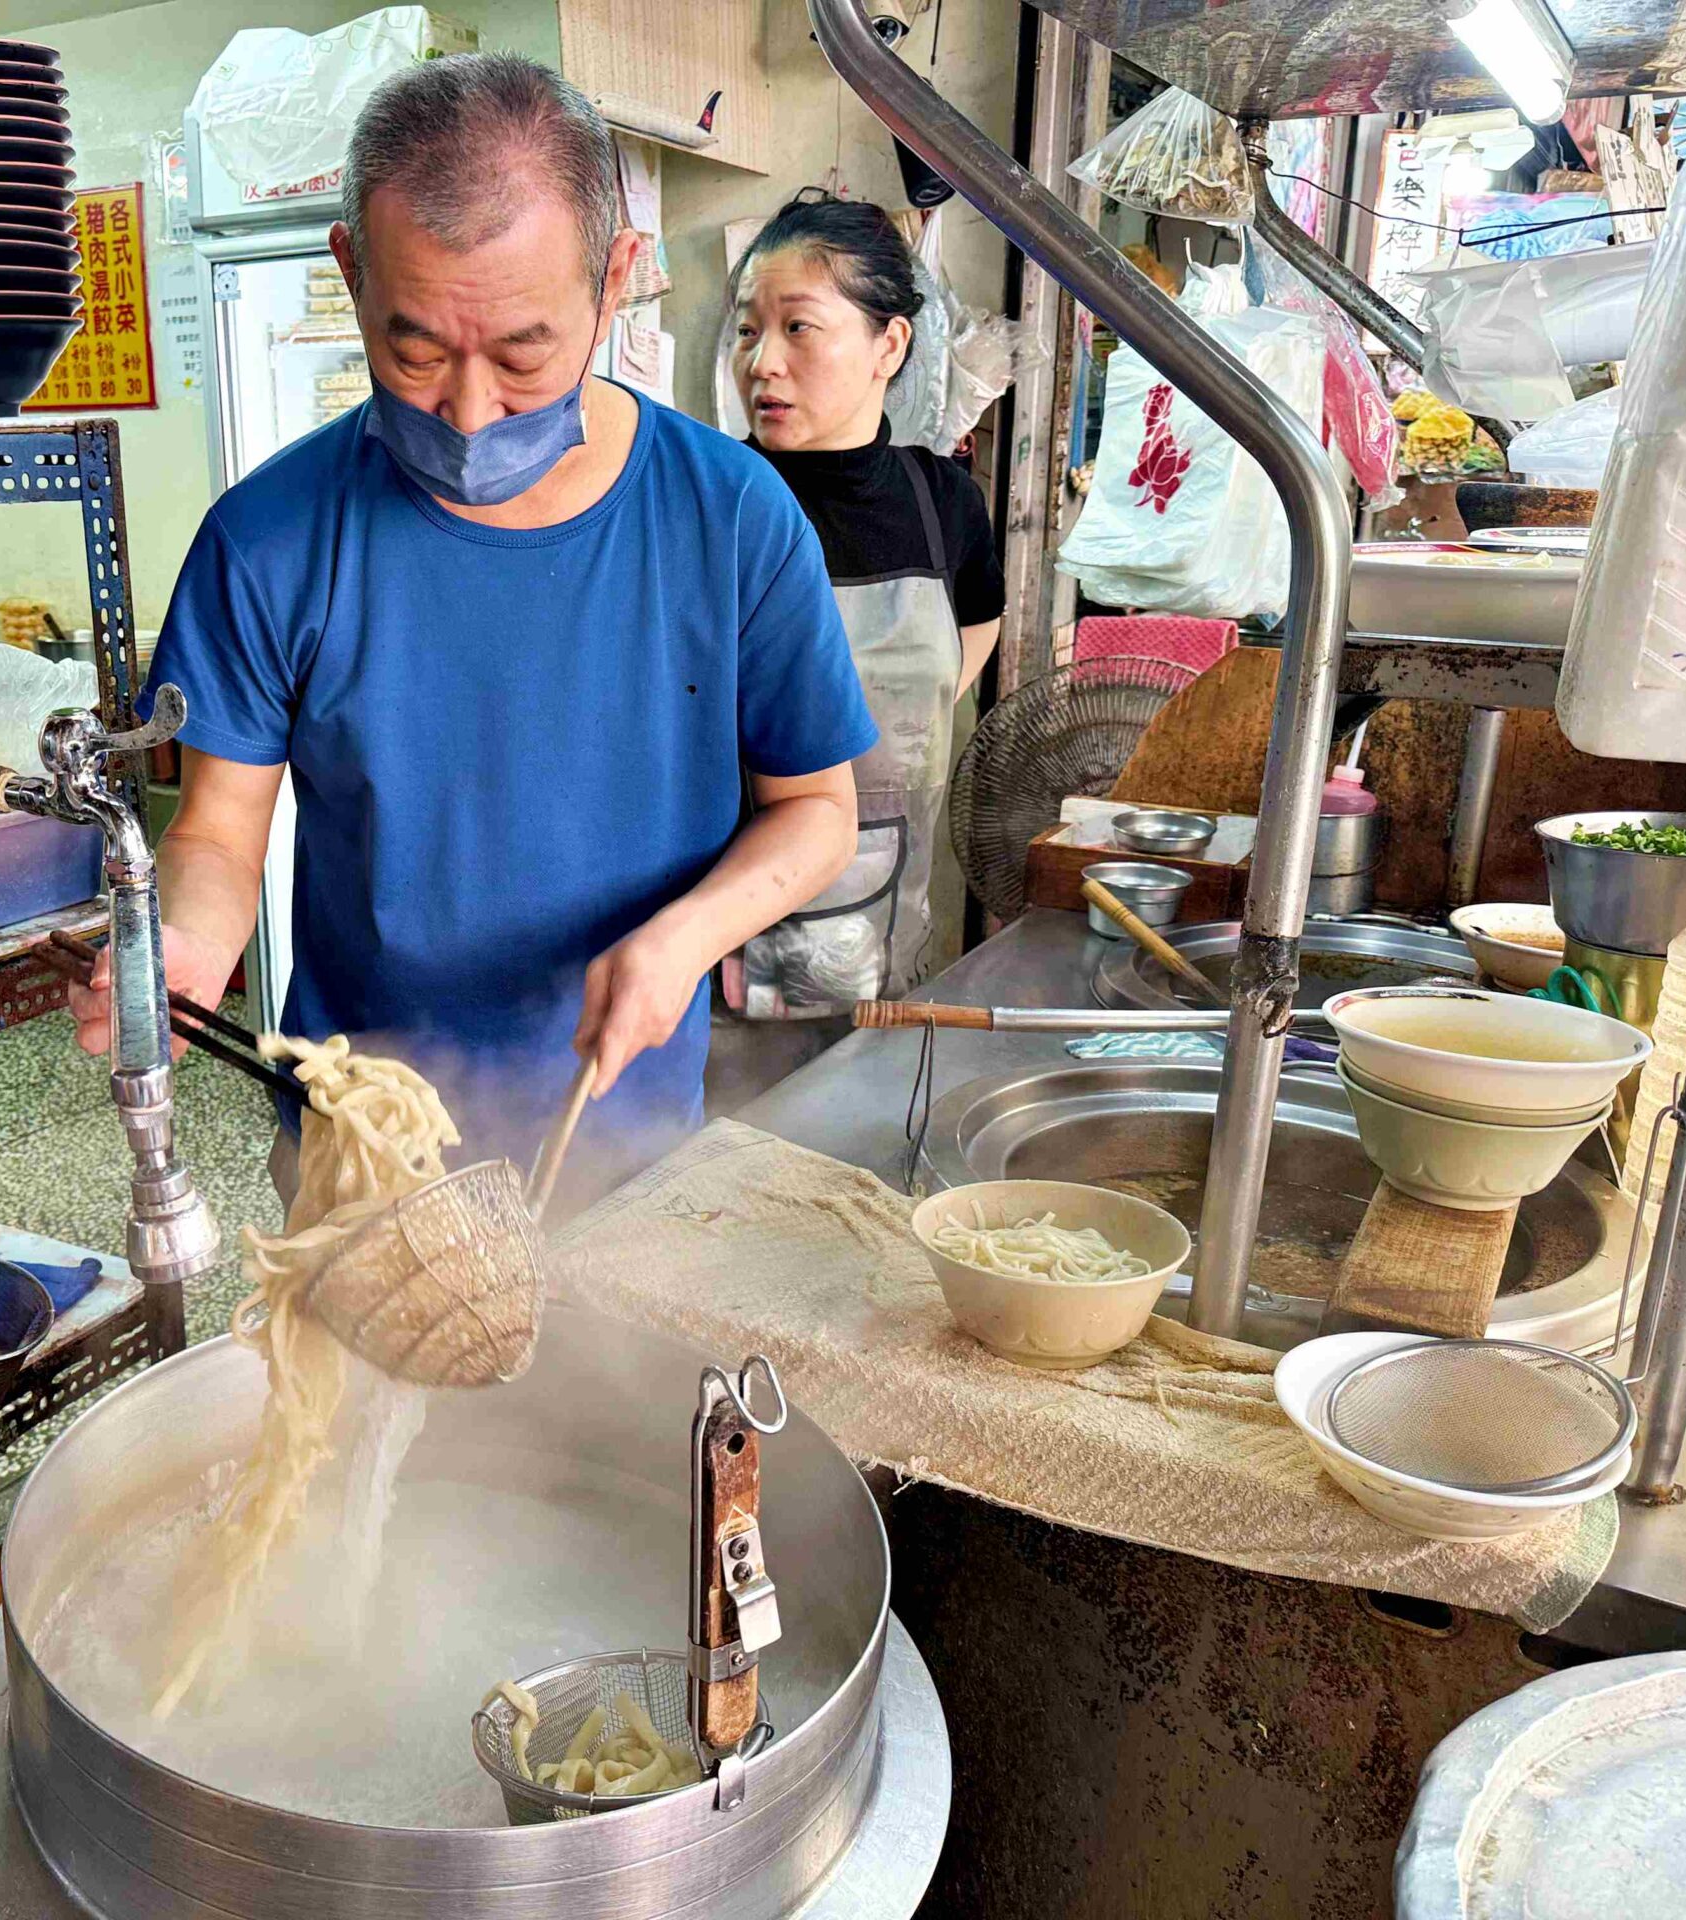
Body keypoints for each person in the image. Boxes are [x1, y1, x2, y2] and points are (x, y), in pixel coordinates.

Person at [70, 54, 874, 1204]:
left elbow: (817, 810)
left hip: (628, 1147)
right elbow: (217, 834)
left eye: (522, 352)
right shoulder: (269, 540)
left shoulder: (731, 518)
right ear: (349, 270)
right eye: (414, 351)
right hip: (362, 1152)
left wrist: (688, 936)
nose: (468, 408)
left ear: (616, 278)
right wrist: (189, 946)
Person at [720, 192, 1004, 1060]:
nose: (762, 362)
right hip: (719, 948)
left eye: (798, 328)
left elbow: (975, 628)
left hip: (889, 943)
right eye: (746, 330)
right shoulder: (706, 500)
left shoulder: (942, 502)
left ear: (890, 344)